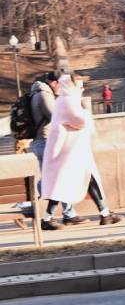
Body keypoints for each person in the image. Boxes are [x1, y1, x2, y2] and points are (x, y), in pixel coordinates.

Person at [40, 75, 124, 226]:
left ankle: (104, 213)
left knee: (76, 182)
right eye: (79, 86)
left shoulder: (63, 100)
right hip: (70, 153)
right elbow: (81, 121)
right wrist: (86, 112)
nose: (82, 88)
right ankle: (47, 219)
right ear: (69, 86)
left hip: (70, 152)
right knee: (68, 183)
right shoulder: (68, 101)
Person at [27, 72, 85, 229]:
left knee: (58, 176)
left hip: (43, 141)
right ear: (54, 83)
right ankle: (35, 205)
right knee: (56, 177)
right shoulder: (44, 95)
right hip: (45, 141)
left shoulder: (37, 93)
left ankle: (68, 213)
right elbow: (56, 117)